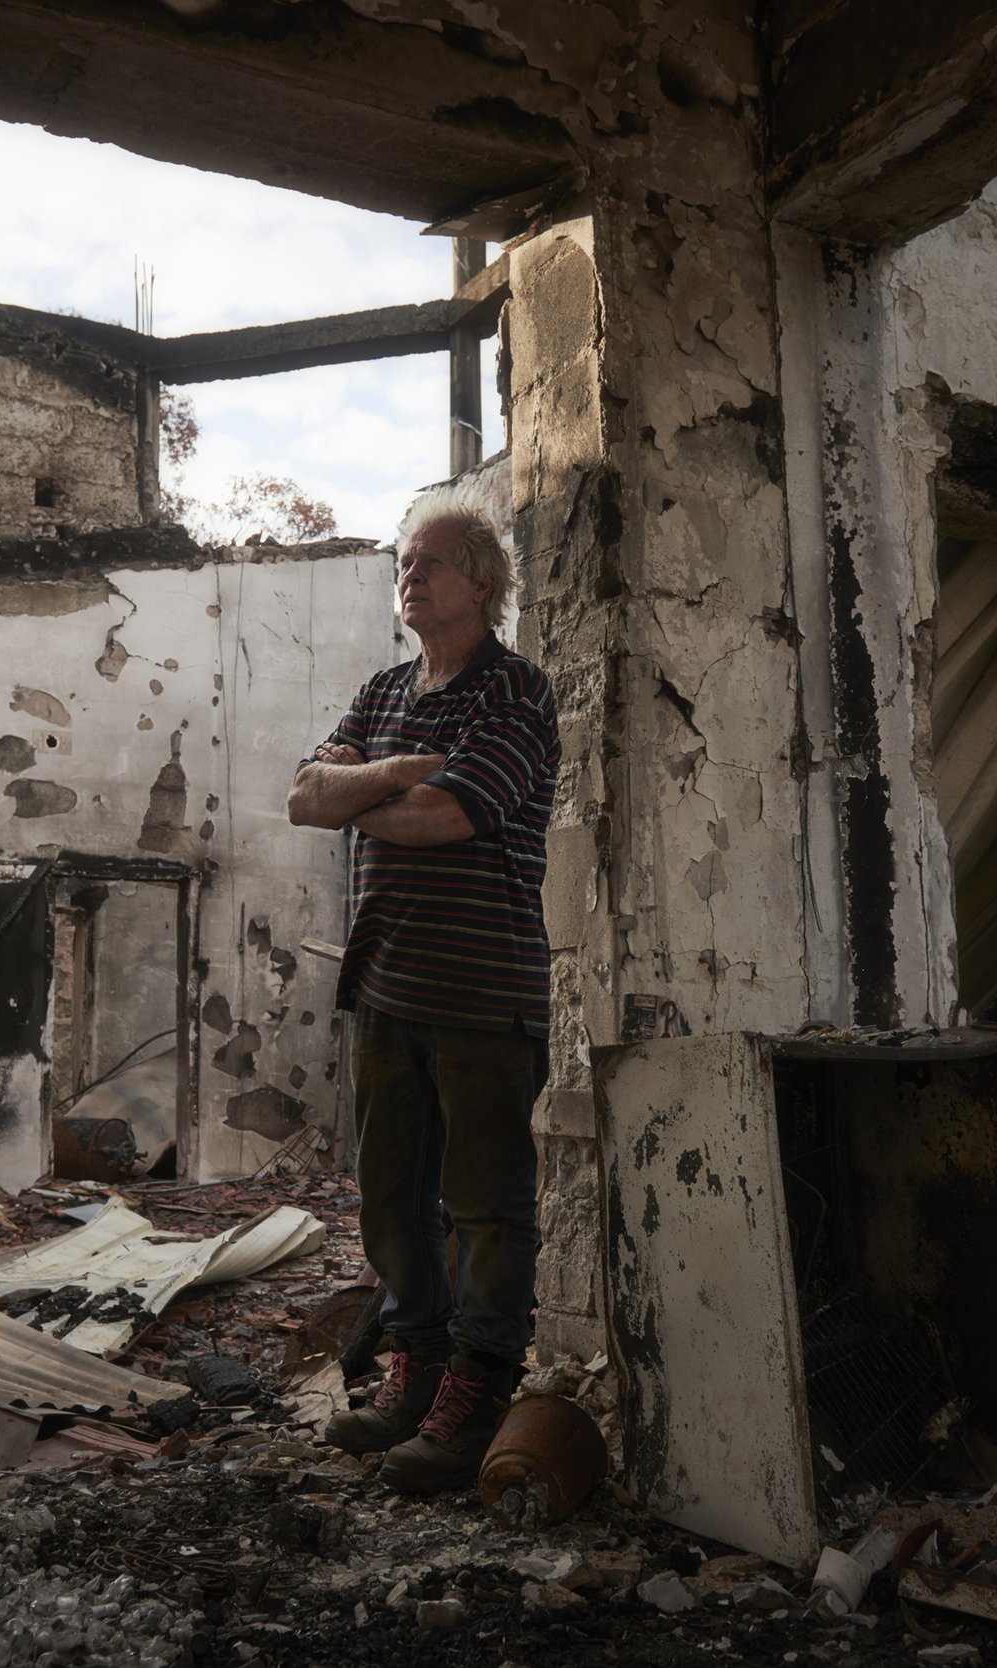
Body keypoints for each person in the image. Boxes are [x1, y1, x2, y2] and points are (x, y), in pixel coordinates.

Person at [285, 481, 557, 1493]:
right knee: (393, 1198)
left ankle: (475, 1394)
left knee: (485, 1205)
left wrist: (364, 794)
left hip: (485, 992)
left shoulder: (514, 692)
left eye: (428, 562)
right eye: (404, 562)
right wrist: (400, 768)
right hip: (388, 987)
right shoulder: (382, 692)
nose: (409, 575)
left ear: (480, 583)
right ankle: (414, 1370)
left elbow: (448, 819)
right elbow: (303, 796)